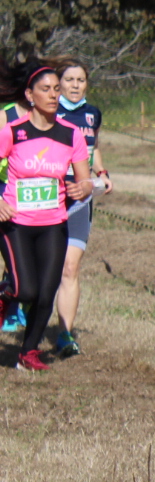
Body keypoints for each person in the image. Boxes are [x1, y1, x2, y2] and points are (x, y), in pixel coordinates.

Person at [0, 65, 94, 371]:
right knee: (25, 290)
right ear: (30, 95)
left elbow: (84, 180)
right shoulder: (13, 131)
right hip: (15, 223)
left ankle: (28, 353)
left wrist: (83, 188)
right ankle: (4, 297)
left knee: (45, 293)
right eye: (46, 89)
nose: (54, 95)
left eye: (56, 89)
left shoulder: (71, 134)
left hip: (53, 223)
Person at [49, 62, 108, 358]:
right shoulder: (48, 111)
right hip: (49, 198)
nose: (75, 85)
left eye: (81, 80)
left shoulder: (92, 113)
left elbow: (93, 148)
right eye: (69, 79)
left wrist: (102, 173)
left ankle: (65, 334)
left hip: (80, 199)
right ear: (59, 83)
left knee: (70, 267)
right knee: (42, 269)